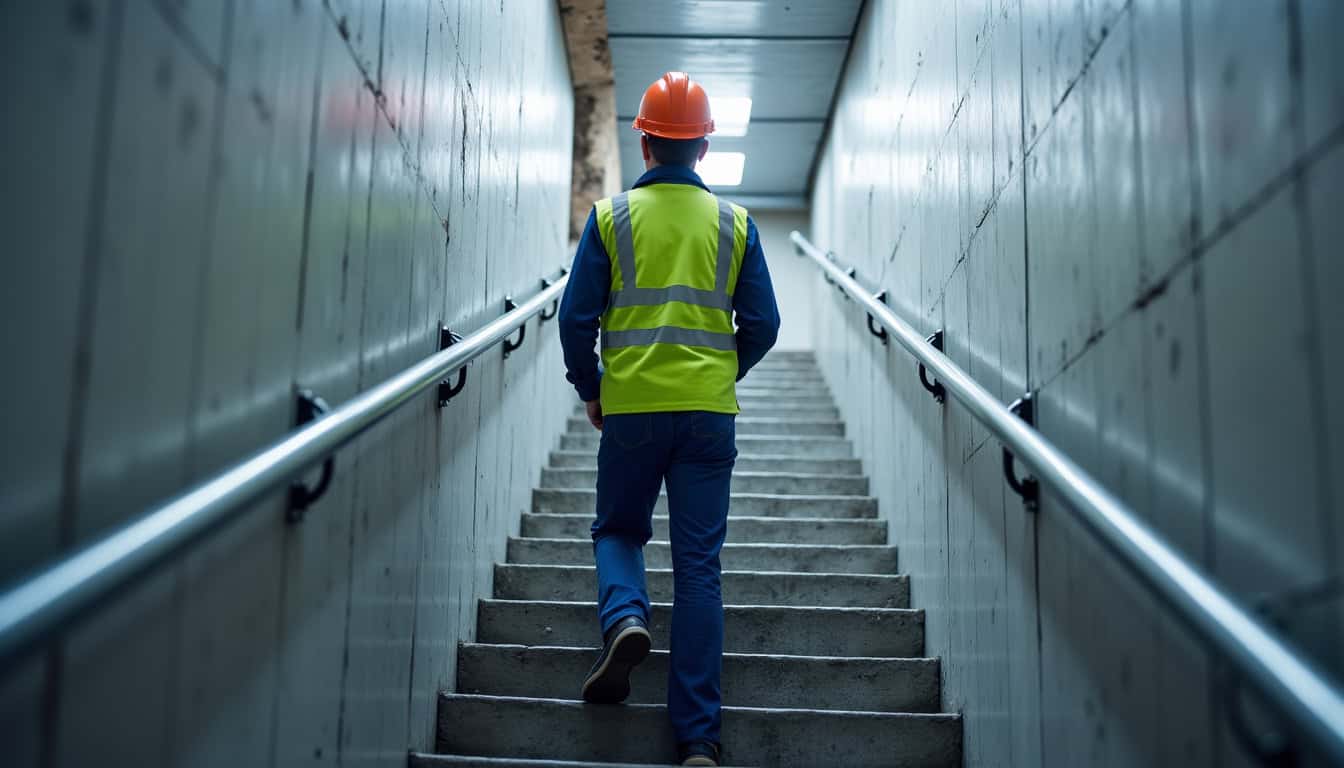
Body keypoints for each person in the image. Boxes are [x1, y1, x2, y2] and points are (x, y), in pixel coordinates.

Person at [556, 71, 780, 768]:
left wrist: (592, 386)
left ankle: (624, 618)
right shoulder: (736, 225)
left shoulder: (611, 218)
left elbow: (574, 318)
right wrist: (721, 372)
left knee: (619, 529)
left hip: (631, 411)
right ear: (704, 148)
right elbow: (765, 324)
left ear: (646, 143)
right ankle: (699, 741)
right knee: (699, 570)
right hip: (708, 419)